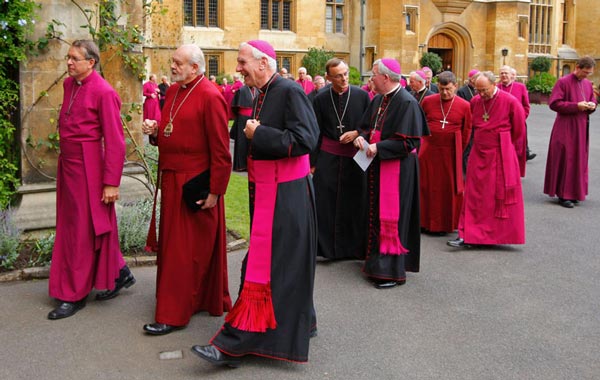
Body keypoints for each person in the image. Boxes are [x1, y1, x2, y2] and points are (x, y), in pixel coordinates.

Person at [191, 39, 319, 366]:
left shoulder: (289, 91)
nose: (237, 68)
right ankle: (302, 322)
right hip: (269, 191)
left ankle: (233, 344)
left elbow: (306, 139)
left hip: (287, 194)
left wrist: (258, 135)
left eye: (242, 62)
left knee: (267, 267)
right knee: (283, 264)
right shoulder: (261, 93)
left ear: (263, 63)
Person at [141, 44, 232, 335]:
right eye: (172, 62)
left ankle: (173, 313)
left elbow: (221, 151)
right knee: (176, 249)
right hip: (172, 180)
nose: (172, 66)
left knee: (185, 251)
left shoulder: (210, 95)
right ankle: (193, 299)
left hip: (195, 184)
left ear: (195, 67)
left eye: (178, 62)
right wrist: (156, 132)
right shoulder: (175, 92)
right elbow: (172, 131)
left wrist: (215, 191)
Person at [48, 39, 135, 320]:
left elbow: (115, 142)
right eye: (68, 58)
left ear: (91, 62)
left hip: (90, 169)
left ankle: (74, 294)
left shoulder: (104, 92)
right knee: (84, 226)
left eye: (74, 58)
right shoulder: (68, 85)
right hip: (70, 166)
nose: (69, 63)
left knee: (83, 231)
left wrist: (111, 182)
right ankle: (118, 272)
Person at [353, 58, 429, 289]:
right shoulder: (379, 99)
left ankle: (391, 272)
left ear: (385, 77)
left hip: (398, 171)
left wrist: (379, 147)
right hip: (377, 165)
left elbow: (410, 143)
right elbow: (368, 127)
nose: (370, 78)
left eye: (373, 74)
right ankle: (376, 263)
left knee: (392, 217)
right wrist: (362, 138)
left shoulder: (407, 103)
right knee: (374, 213)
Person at [447, 71, 526, 248]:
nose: (481, 94)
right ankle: (468, 234)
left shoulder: (510, 101)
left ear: (494, 84)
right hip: (479, 151)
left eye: (485, 90)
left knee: (498, 195)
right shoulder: (475, 102)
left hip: (501, 152)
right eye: (478, 90)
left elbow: (519, 129)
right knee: (474, 194)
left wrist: (503, 143)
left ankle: (495, 236)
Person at [312, 58, 371, 260]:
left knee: (355, 202)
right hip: (328, 158)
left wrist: (356, 132)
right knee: (325, 203)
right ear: (328, 78)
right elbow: (314, 131)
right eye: (338, 75)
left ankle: (353, 249)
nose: (344, 78)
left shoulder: (362, 96)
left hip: (355, 159)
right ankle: (326, 250)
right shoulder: (319, 98)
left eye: (345, 73)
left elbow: (372, 125)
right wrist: (312, 162)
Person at [419, 71, 472, 235]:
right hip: (429, 151)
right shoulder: (428, 101)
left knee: (447, 188)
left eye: (448, 89)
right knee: (425, 185)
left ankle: (445, 224)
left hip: (450, 152)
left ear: (455, 87)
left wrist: (458, 151)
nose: (444, 93)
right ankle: (423, 222)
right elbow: (420, 123)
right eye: (441, 89)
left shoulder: (464, 105)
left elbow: (467, 131)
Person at [544, 56, 597, 208]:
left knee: (578, 159)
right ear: (578, 67)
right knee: (566, 158)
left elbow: (592, 99)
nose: (586, 76)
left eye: (589, 73)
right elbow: (554, 104)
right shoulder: (563, 82)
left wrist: (592, 105)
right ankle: (563, 194)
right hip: (565, 126)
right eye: (585, 72)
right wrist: (576, 106)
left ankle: (574, 193)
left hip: (581, 127)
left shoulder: (587, 84)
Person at [499, 65, 534, 161]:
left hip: (517, 124)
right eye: (502, 73)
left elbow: (526, 106)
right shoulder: (496, 87)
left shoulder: (520, 87)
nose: (504, 75)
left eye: (506, 73)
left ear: (511, 75)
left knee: (517, 151)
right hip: (501, 126)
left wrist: (520, 119)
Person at [456, 69, 480, 173]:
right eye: (477, 78)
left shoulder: (479, 89)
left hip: (479, 122)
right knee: (467, 148)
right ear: (472, 79)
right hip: (468, 122)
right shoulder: (462, 91)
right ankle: (465, 171)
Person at [230, 85, 255, 171]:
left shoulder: (257, 90)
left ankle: (249, 165)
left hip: (253, 118)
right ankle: (240, 165)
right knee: (241, 142)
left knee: (251, 143)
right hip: (242, 119)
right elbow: (234, 107)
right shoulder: (241, 90)